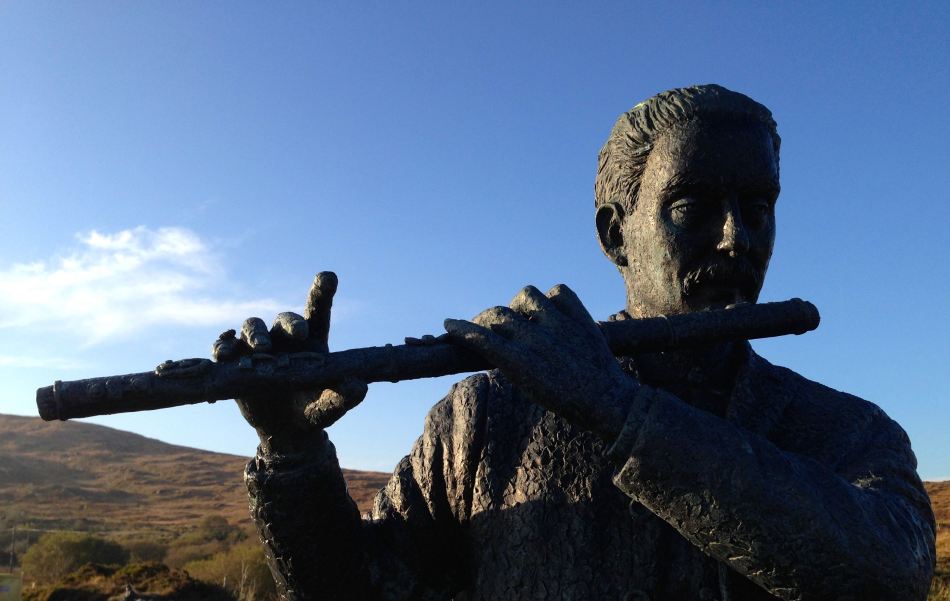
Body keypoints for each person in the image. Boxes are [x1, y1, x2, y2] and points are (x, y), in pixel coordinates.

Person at [215, 84, 936, 600]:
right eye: (693, 207)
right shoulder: (482, 417)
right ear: (616, 234)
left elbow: (886, 575)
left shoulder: (846, 432)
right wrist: (292, 457)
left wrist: (619, 410)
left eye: (757, 208)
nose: (736, 238)